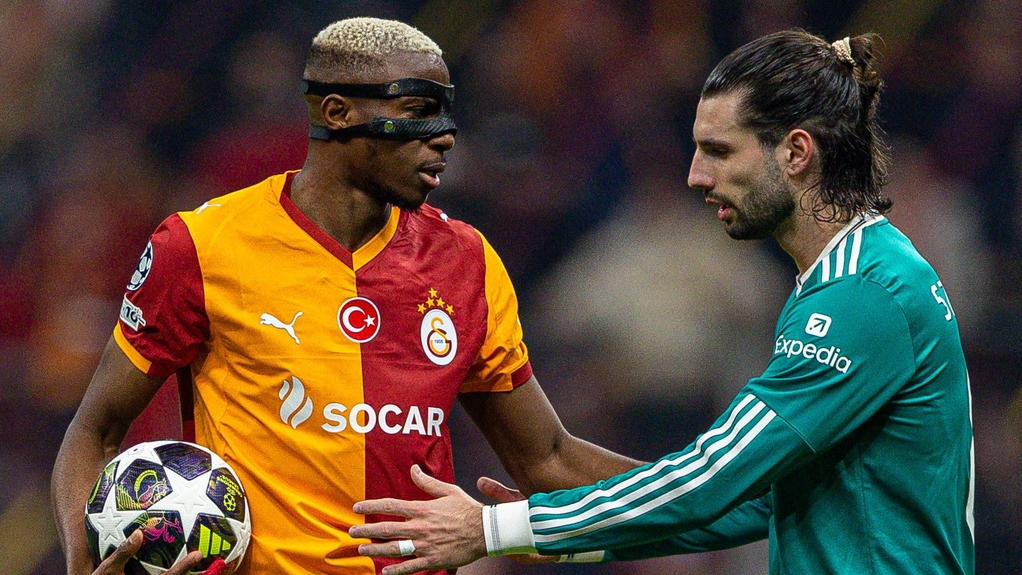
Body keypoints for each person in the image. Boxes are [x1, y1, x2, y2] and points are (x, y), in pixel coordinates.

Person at [348, 29, 976, 575]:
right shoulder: (859, 273)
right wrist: (558, 530)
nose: (697, 175)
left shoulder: (862, 293)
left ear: (795, 152)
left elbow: (715, 477)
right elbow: (754, 501)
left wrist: (494, 529)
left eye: (719, 151)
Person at [51, 17, 642, 575]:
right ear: (337, 112)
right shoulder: (201, 246)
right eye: (418, 111)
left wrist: (692, 491)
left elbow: (546, 457)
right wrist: (85, 559)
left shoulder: (467, 262)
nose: (444, 136)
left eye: (446, 113)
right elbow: (95, 430)